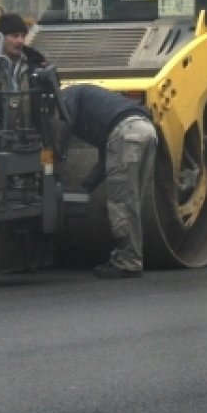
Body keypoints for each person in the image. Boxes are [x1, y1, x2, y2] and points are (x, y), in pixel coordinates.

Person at [60, 84, 157, 279]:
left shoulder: (67, 96)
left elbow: (62, 124)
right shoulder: (97, 103)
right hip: (146, 131)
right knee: (131, 202)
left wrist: (56, 154)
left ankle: (128, 262)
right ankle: (131, 257)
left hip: (127, 134)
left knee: (121, 203)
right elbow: (108, 155)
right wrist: (85, 186)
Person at [0, 12, 47, 132]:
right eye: (15, 36)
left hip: (30, 141)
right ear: (0, 38)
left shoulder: (36, 65)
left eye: (23, 36)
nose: (20, 41)